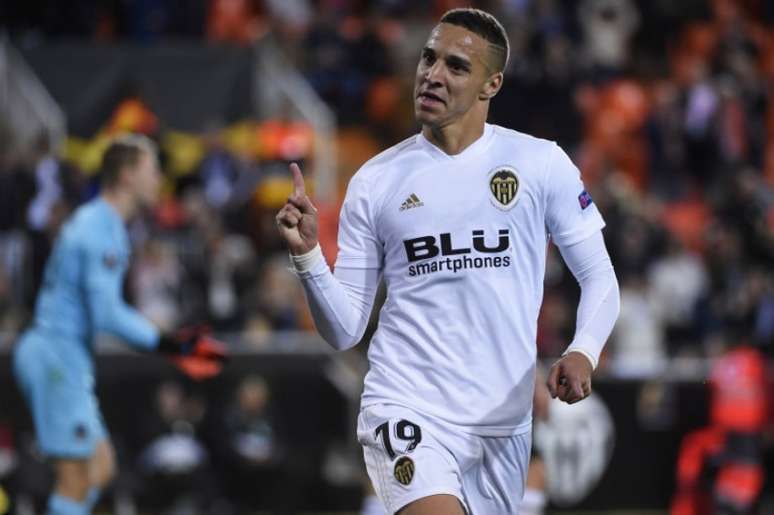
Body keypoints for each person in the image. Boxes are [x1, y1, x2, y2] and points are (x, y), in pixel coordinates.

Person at [276, 8, 620, 515]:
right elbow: (346, 329)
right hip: (407, 405)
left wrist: (583, 350)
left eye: (456, 66)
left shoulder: (540, 164)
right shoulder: (377, 181)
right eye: (428, 58)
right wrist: (308, 255)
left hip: (503, 424)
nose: (433, 74)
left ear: (491, 84)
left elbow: (599, 277)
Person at [13, 134, 226, 515]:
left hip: (61, 356)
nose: (160, 177)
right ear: (127, 176)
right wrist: (174, 346)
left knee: (100, 467)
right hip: (56, 357)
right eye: (152, 169)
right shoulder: (99, 229)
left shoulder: (103, 223)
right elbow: (107, 314)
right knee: (76, 479)